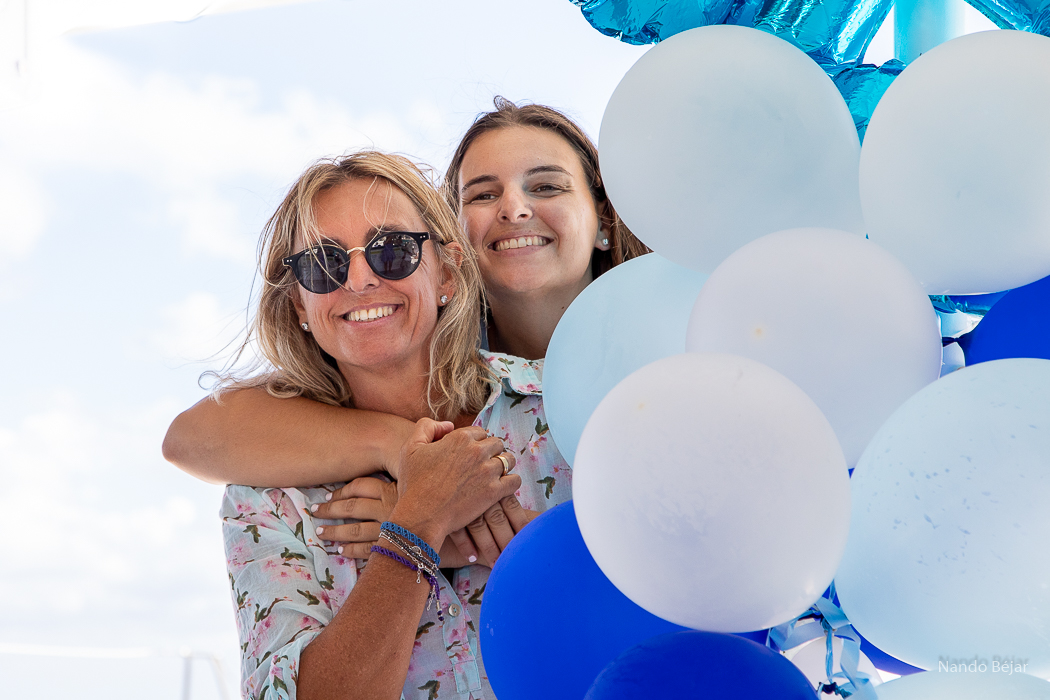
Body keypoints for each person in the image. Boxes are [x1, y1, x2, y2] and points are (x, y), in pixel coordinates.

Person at [163, 98, 648, 562]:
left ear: (605, 215)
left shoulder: (657, 350)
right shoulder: (422, 358)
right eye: (482, 194)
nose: (514, 209)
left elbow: (657, 548)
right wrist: (409, 453)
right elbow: (192, 437)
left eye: (547, 186)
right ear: (455, 243)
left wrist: (431, 525)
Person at [222, 150, 569, 699]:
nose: (359, 280)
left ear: (447, 272)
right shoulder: (266, 496)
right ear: (299, 306)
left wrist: (479, 540)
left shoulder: (563, 405)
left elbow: (665, 581)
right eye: (323, 264)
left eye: (393, 250)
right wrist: (419, 525)